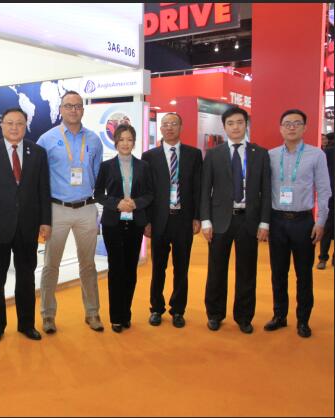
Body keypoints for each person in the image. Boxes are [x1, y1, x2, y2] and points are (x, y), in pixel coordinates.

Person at [0, 108, 52, 344]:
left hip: (28, 226)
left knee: (26, 277)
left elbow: (43, 190)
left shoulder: (37, 152)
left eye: (19, 123)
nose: (14, 127)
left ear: (25, 126)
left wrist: (45, 221)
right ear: (2, 126)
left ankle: (26, 324)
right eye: (10, 123)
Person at [37, 91, 105, 333]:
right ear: (61, 110)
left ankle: (92, 312)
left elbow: (96, 174)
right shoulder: (46, 139)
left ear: (83, 110)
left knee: (88, 265)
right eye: (68, 106)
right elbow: (38, 178)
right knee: (51, 265)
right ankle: (47, 315)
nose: (73, 110)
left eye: (77, 106)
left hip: (86, 208)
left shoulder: (94, 140)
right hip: (57, 209)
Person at [200, 107, 271, 334]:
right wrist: (205, 220)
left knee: (247, 271)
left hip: (249, 220)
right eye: (230, 123)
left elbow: (266, 191)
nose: (235, 127)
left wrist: (265, 222)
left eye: (240, 122)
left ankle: (244, 316)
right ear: (224, 127)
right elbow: (205, 190)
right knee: (216, 270)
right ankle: (215, 314)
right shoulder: (214, 154)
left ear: (246, 124)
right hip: (220, 220)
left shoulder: (260, 153)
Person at [264, 109, 331, 338]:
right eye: (287, 123)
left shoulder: (316, 155)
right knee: (278, 273)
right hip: (277, 221)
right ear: (280, 128)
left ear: (305, 128)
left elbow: (324, 191)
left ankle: (303, 320)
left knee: (304, 274)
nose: (291, 127)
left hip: (303, 222)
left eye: (296, 123)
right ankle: (279, 315)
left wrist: (321, 222)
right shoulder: (271, 155)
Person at [141, 113, 202, 328]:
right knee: (158, 267)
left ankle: (178, 310)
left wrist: (197, 216)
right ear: (160, 129)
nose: (169, 128)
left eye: (173, 124)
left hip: (183, 220)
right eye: (165, 124)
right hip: (159, 220)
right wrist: (147, 221)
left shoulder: (194, 155)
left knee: (181, 268)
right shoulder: (149, 156)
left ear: (181, 127)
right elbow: (146, 191)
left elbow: (198, 188)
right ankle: (156, 308)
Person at [94, 125, 153, 332]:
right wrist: (116, 203)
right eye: (121, 139)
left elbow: (150, 194)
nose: (125, 143)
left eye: (129, 139)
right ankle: (116, 318)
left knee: (130, 270)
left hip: (135, 223)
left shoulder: (143, 166)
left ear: (134, 142)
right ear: (115, 142)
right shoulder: (106, 166)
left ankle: (126, 313)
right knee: (116, 270)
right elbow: (98, 194)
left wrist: (135, 203)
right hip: (113, 223)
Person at [317, 132, 334, 270]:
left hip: (329, 195)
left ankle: (324, 258)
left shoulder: (326, 152)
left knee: (327, 228)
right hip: (330, 195)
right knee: (327, 227)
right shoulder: (327, 153)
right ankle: (326, 257)